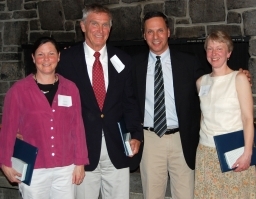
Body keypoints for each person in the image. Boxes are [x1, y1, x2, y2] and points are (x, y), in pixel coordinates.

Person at [131, 11, 251, 199]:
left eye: (160, 30)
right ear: (144, 35)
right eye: (150, 31)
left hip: (183, 139)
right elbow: (127, 99)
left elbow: (216, 79)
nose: (156, 36)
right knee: (152, 195)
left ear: (168, 32)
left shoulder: (188, 61)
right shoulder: (134, 64)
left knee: (186, 194)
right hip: (151, 139)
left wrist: (240, 75)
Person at [57, 3, 143, 199]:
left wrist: (136, 135)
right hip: (82, 152)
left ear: (110, 29)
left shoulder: (123, 60)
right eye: (94, 24)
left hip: (117, 148)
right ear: (83, 26)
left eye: (105, 25)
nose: (100, 30)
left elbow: (130, 102)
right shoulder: (66, 61)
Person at [0, 37, 89, 199]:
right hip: (34, 168)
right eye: (40, 54)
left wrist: (80, 162)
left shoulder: (70, 88)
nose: (46, 59)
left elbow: (78, 127)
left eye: (51, 53)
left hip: (65, 167)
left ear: (59, 56)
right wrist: (5, 162)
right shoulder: (18, 91)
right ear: (33, 58)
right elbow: (8, 129)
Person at [194, 30, 256, 198]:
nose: (214, 53)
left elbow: (248, 118)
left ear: (229, 53)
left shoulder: (239, 78)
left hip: (233, 151)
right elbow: (204, 115)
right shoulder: (201, 82)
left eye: (219, 48)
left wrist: (247, 154)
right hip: (206, 153)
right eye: (210, 48)